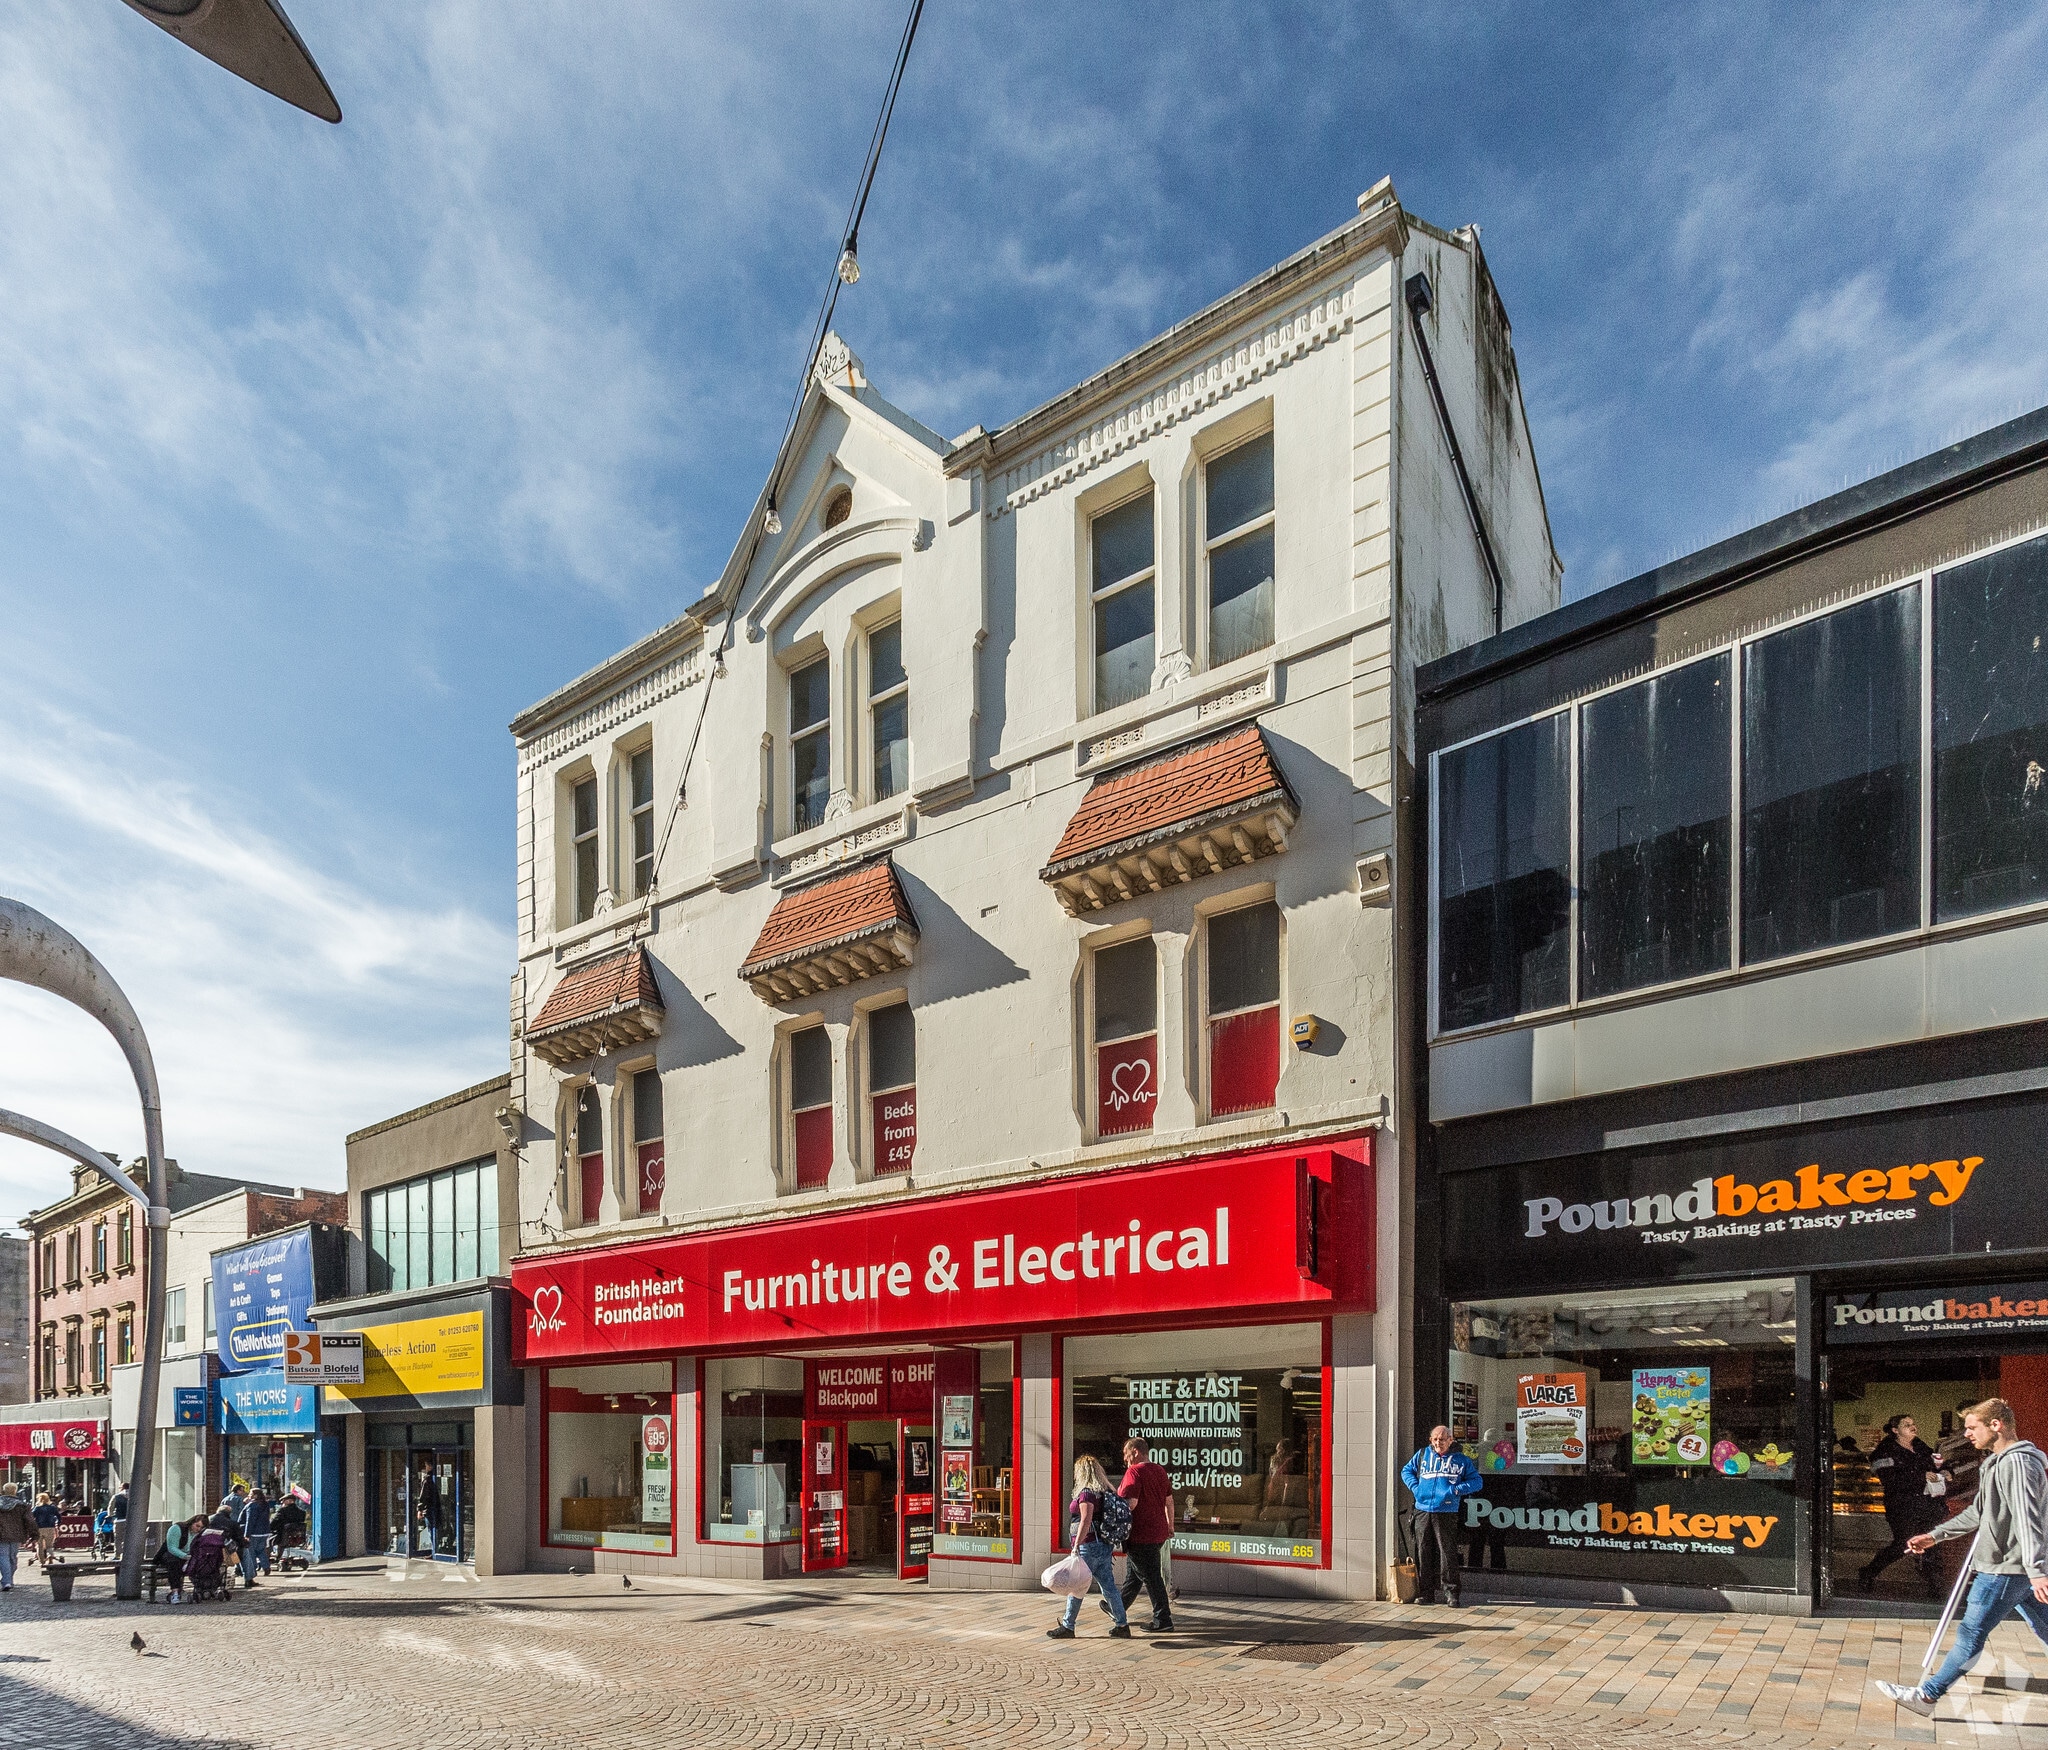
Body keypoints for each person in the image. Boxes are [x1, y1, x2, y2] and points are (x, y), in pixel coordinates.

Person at [1877, 1398, 2048, 1717]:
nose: (1967, 1434)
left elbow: (2029, 1518)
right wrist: (1933, 1536)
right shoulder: (1997, 1462)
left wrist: (2037, 1570)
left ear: (1995, 1425)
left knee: (1970, 1635)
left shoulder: (2018, 1464)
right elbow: (1979, 1514)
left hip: (2003, 1569)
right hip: (2016, 1569)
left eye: (1972, 1427)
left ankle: (1926, 1696)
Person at [1861, 1414, 1948, 1595]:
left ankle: (1934, 1585)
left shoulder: (1921, 1446)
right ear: (1895, 1430)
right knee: (1903, 1543)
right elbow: (1888, 1479)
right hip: (1902, 1506)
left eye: (1913, 1423)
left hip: (1928, 1503)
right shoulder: (1884, 1451)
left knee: (1931, 1542)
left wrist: (1946, 1471)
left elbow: (1937, 1465)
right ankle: (1869, 1572)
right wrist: (1919, 1477)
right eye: (1907, 1424)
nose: (1913, 1427)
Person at [1046, 1456, 1130, 1640]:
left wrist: (1076, 1546)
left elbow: (1086, 1520)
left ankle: (1068, 1626)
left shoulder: (1086, 1494)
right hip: (1104, 1545)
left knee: (1077, 1585)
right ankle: (1122, 1624)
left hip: (1088, 1546)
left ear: (1082, 1472)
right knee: (1109, 1587)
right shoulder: (1105, 1491)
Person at [1401, 1425, 1483, 1607]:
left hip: (1446, 1511)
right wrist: (1416, 1488)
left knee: (1447, 1553)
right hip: (1423, 1510)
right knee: (1423, 1551)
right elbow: (1406, 1471)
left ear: (1450, 1440)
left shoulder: (1461, 1460)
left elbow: (1477, 1481)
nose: (1439, 1442)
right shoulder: (1422, 1455)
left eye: (1443, 1439)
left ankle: (1451, 1593)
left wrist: (1455, 1490)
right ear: (1431, 1440)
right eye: (1435, 1439)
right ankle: (1426, 1593)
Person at [1105, 1438, 1175, 1631]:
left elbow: (1131, 1503)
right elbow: (1169, 1501)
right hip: (1158, 1531)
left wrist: (1114, 1506)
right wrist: (1170, 1525)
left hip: (1140, 1533)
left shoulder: (1134, 1471)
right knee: (1135, 1574)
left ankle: (1163, 1620)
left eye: (1126, 1454)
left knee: (1151, 1577)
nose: (1124, 1459)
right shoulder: (1160, 1471)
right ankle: (1117, 1607)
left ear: (1135, 1452)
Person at [156, 1515, 203, 1602]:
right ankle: (175, 1592)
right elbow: (172, 1548)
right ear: (192, 1523)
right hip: (171, 1554)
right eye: (197, 1526)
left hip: (187, 1557)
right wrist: (185, 1556)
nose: (198, 1529)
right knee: (174, 1562)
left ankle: (201, 1589)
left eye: (201, 1527)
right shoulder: (177, 1528)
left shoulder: (198, 1534)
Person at [0, 1484, 33, 1591]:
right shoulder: (21, 1505)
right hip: (16, 1535)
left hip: (1, 1535)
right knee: (12, 1558)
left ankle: (7, 1580)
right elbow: (30, 1521)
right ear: (15, 1491)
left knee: (3, 1557)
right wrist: (34, 1534)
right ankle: (8, 1580)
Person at [242, 1487, 272, 1581]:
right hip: (264, 1532)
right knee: (261, 1550)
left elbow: (249, 1521)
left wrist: (246, 1534)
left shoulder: (252, 1506)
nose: (249, 1495)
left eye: (250, 1493)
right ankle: (266, 1567)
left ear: (255, 1495)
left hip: (254, 1532)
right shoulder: (265, 1504)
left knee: (251, 1552)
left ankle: (253, 1570)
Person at [31, 1492, 59, 1567]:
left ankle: (42, 1561)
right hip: (50, 1527)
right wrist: (58, 1523)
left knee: (40, 1545)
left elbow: (31, 1517)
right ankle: (50, 1556)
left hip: (39, 1528)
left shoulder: (37, 1508)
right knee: (49, 1545)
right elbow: (59, 1516)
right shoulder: (52, 1508)